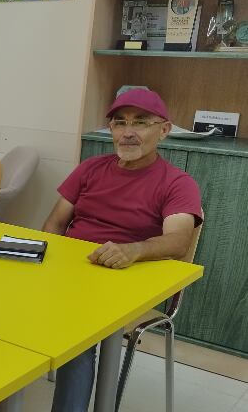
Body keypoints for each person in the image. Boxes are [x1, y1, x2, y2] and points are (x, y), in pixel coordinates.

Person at [44, 88, 203, 412]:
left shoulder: (177, 182)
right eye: (119, 123)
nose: (128, 132)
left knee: (79, 333)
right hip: (72, 273)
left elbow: (178, 241)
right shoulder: (90, 169)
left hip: (126, 279)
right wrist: (50, 266)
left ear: (164, 129)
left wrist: (133, 251)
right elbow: (55, 224)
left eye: (140, 123)